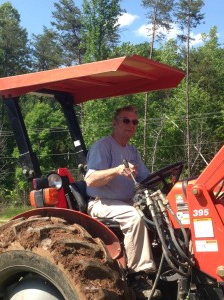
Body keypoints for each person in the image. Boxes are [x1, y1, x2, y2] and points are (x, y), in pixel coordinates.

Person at [85, 105, 161, 300]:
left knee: (162, 211)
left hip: (127, 201)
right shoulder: (103, 146)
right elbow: (91, 179)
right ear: (115, 122)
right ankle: (138, 275)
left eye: (134, 121)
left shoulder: (132, 150)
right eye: (126, 120)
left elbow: (145, 177)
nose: (131, 125)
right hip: (103, 203)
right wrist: (117, 170)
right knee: (134, 217)